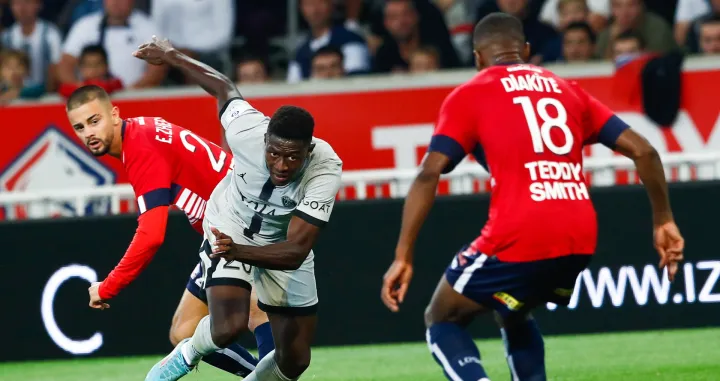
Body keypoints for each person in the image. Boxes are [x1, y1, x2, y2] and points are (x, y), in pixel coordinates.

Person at [380, 12, 685, 381]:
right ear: (524, 50)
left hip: (520, 234)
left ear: (477, 58)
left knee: (442, 317)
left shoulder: (471, 93)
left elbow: (430, 172)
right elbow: (646, 152)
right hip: (579, 237)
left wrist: (402, 255)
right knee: (514, 310)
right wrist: (664, 220)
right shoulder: (567, 88)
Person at [134, 36, 343, 381]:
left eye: (293, 156)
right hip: (228, 225)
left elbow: (295, 251)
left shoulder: (326, 168)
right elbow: (223, 86)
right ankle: (186, 353)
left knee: (295, 359)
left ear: (309, 150)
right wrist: (171, 55)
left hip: (280, 246)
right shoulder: (247, 129)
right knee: (227, 327)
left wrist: (241, 252)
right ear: (265, 141)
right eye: (274, 153)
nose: (281, 164)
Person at [64, 84, 274, 378]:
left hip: (239, 221)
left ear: (114, 114)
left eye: (94, 121)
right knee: (184, 331)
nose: (88, 133)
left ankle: (273, 375)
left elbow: (151, 235)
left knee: (251, 309)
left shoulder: (139, 148)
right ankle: (264, 375)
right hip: (229, 223)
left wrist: (107, 286)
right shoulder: (142, 130)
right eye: (79, 127)